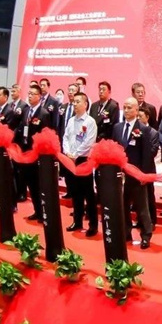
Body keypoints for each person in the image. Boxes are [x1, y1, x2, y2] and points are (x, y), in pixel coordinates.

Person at [113, 98, 156, 248]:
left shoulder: (143, 129)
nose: (126, 110)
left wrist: (143, 175)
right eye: (124, 107)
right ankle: (126, 232)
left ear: (137, 110)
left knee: (141, 207)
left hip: (137, 174)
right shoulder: (117, 127)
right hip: (121, 174)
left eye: (129, 107)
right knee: (123, 205)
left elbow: (147, 155)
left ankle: (146, 235)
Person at [62, 92, 99, 237]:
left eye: (78, 102)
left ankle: (93, 225)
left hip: (83, 160)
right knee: (75, 192)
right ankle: (77, 221)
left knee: (88, 193)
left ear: (85, 104)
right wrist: (67, 152)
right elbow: (65, 137)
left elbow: (88, 142)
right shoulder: (71, 120)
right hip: (70, 160)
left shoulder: (90, 122)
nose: (75, 104)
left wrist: (75, 154)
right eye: (74, 102)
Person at [16, 85, 52, 221]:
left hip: (37, 155)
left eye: (33, 94)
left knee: (38, 185)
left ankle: (44, 213)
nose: (30, 96)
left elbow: (46, 135)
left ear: (39, 96)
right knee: (30, 184)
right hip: (25, 152)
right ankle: (37, 211)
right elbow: (21, 128)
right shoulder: (26, 111)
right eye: (29, 93)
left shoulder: (44, 114)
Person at [137, 107, 159, 225]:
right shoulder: (135, 131)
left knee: (149, 196)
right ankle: (140, 220)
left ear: (147, 117)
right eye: (137, 116)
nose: (138, 119)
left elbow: (153, 151)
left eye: (140, 116)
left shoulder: (153, 133)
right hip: (136, 168)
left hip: (148, 168)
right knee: (138, 196)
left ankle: (152, 221)